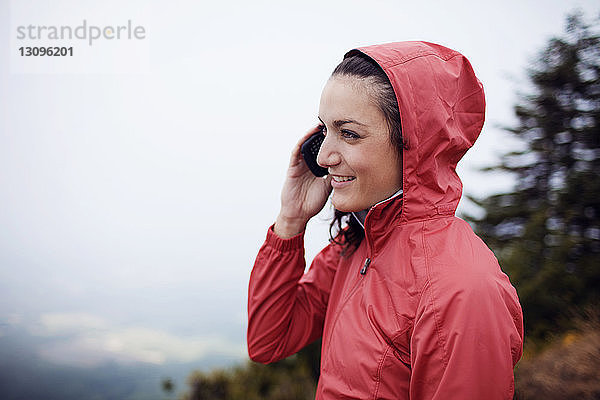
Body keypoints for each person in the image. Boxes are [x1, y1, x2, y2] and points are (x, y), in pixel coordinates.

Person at [247, 41, 524, 399]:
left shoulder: (462, 292)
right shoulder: (360, 242)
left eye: (349, 133)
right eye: (324, 131)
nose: (327, 155)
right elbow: (268, 340)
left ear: (413, 143)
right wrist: (291, 218)